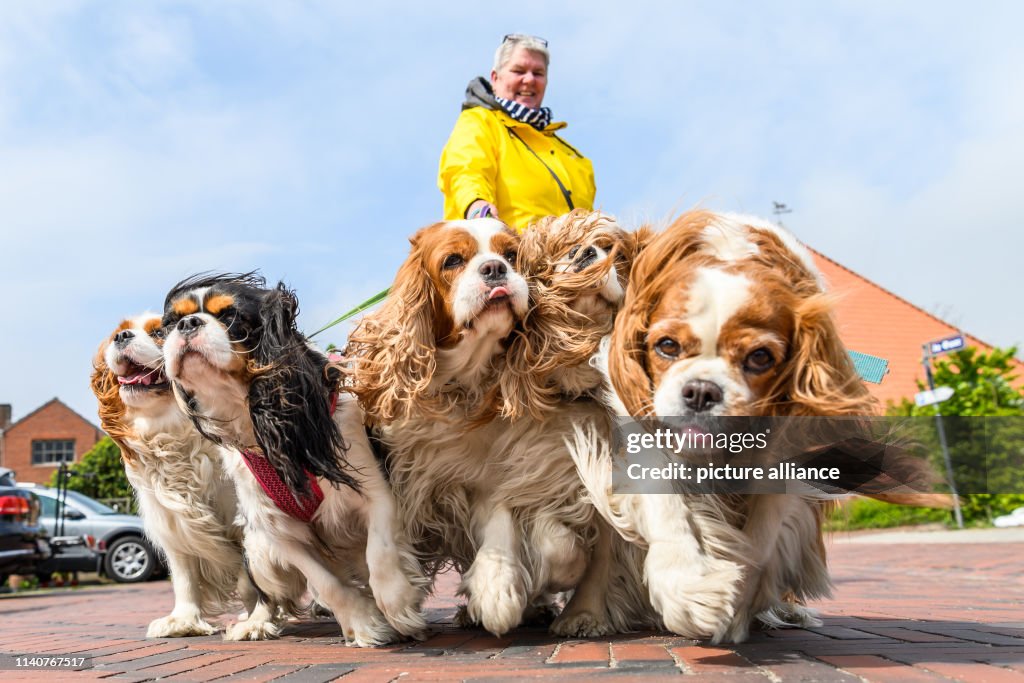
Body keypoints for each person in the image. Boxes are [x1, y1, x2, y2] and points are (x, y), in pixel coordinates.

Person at [438, 34, 596, 233]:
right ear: (495, 78)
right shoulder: (480, 122)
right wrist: (477, 207)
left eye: (538, 73)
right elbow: (465, 170)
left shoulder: (574, 157)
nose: (529, 79)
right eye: (518, 71)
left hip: (572, 258)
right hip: (513, 255)